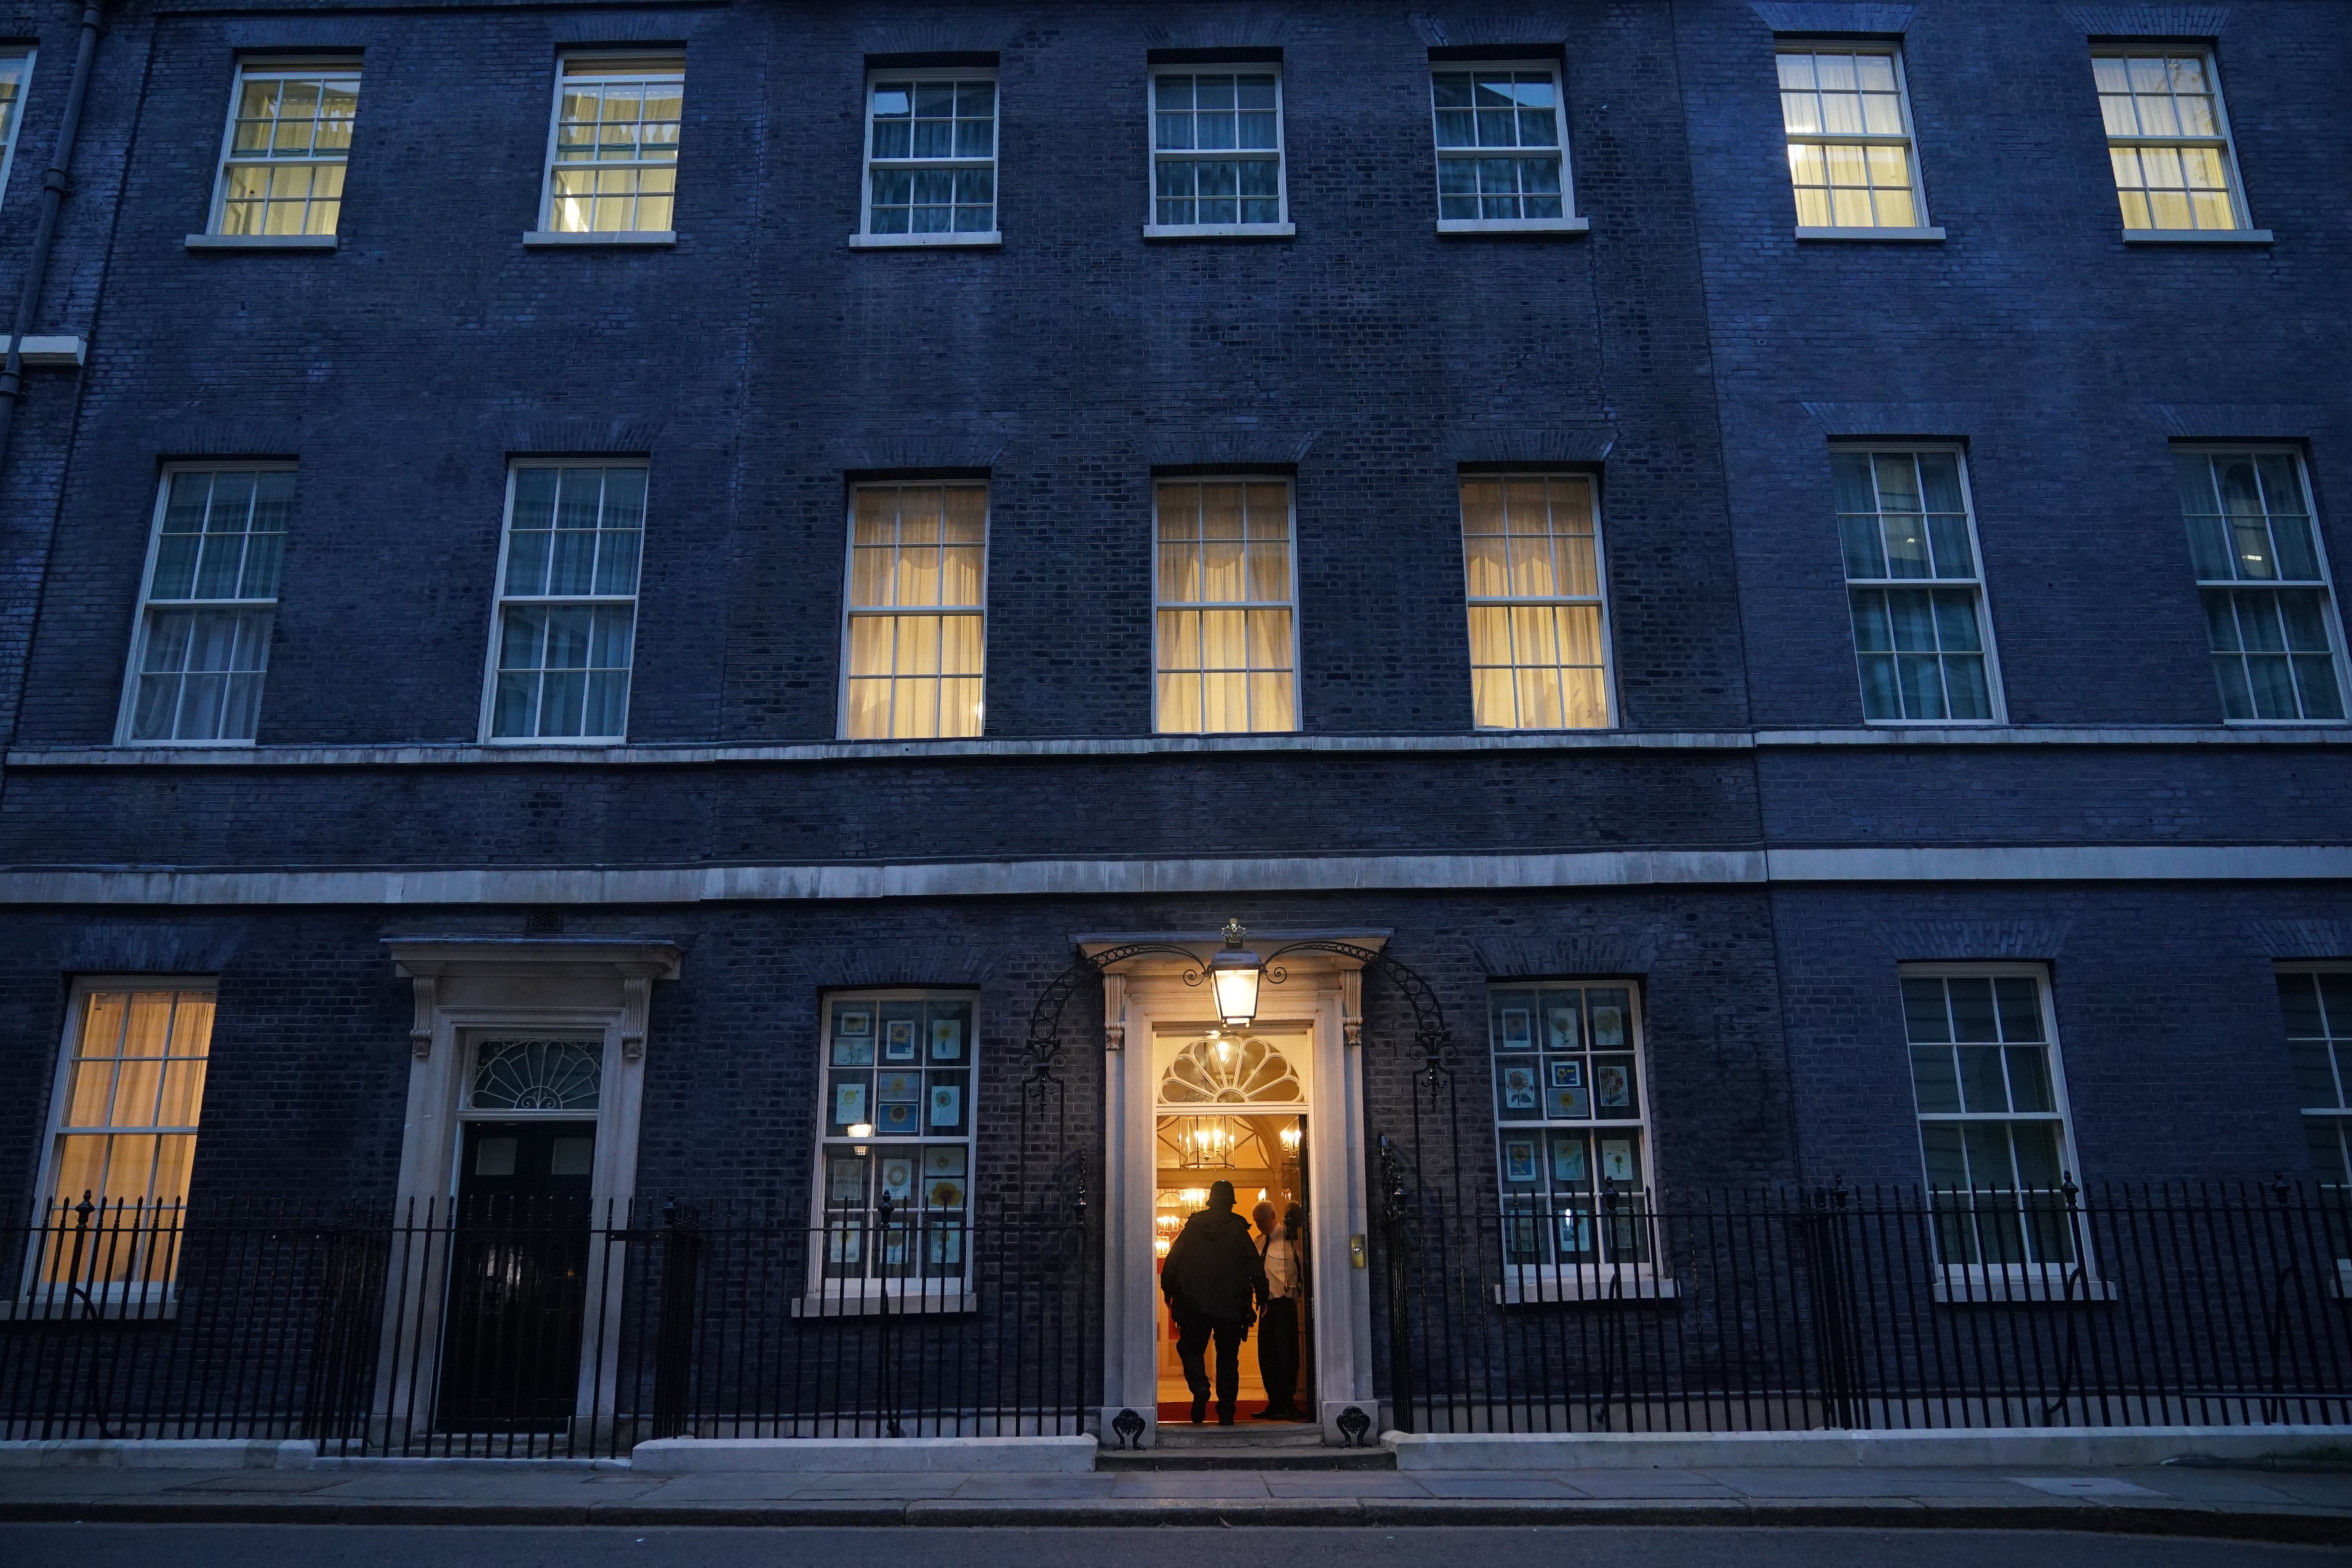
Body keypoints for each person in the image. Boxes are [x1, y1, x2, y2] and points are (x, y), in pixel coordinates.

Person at [1159, 1178, 1267, 1424]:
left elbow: (1172, 1263)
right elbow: (1255, 1267)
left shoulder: (1193, 1227)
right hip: (1231, 1306)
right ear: (1231, 1204)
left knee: (1189, 1348)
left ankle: (1199, 1386)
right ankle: (1227, 1413)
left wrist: (1168, 1291)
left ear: (1210, 1201)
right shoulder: (1240, 1230)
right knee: (1228, 1358)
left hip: (1195, 1305)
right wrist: (1262, 1297)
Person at [1252, 1200, 1306, 1419]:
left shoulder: (1291, 1239)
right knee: (1267, 1357)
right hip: (1265, 1307)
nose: (1258, 1225)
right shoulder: (1258, 1243)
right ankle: (1274, 1402)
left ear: (1273, 1216)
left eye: (1262, 1220)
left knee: (1287, 1356)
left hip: (1284, 1305)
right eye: (1256, 1221)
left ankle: (1288, 1402)